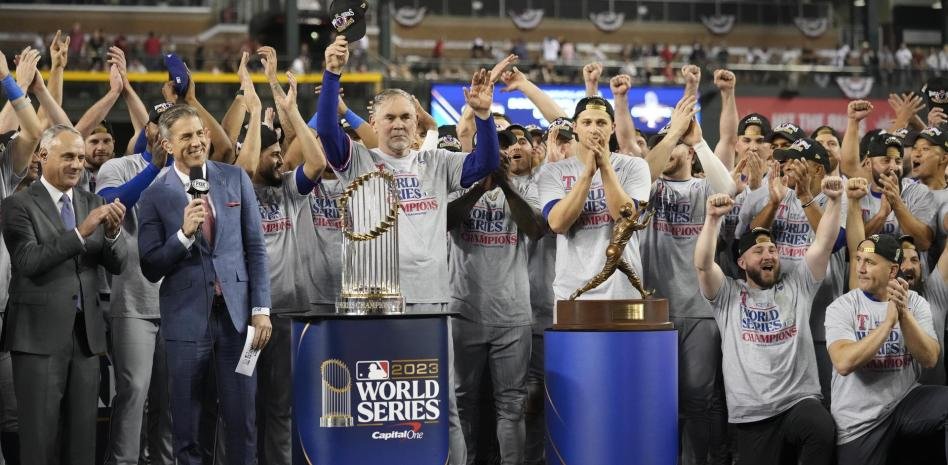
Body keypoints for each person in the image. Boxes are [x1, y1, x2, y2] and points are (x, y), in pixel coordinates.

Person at [315, 35, 501, 465]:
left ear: (418, 125)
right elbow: (325, 130)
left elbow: (486, 163)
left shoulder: (436, 163)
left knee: (439, 404)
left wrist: (484, 116)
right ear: (374, 123)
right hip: (375, 303)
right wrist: (331, 74)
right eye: (389, 118)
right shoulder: (358, 161)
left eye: (405, 117)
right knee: (378, 403)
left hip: (430, 301)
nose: (398, 125)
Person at [137, 104, 272, 465]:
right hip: (186, 322)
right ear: (167, 145)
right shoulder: (153, 195)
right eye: (186, 136)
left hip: (237, 321)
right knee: (188, 426)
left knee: (242, 421)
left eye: (200, 133)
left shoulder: (235, 178)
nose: (197, 142)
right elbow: (150, 266)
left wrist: (261, 309)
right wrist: (183, 235)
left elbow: (256, 249)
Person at [693, 175, 844, 464]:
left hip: (798, 401)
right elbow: (703, 265)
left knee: (821, 427)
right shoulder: (728, 295)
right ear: (741, 262)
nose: (768, 255)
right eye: (759, 251)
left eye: (773, 250)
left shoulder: (798, 285)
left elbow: (824, 244)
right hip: (754, 413)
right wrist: (712, 219)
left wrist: (835, 201)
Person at [2, 124, 128, 465]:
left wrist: (114, 235)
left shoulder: (93, 201)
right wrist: (80, 233)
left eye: (81, 158)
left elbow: (117, 264)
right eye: (68, 156)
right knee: (39, 442)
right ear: (43, 156)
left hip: (86, 338)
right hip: (37, 338)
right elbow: (28, 261)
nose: (77, 164)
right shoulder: (17, 205)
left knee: (82, 441)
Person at [642, 87, 737, 464]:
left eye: (676, 144)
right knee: (656, 399)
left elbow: (728, 188)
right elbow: (642, 176)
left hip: (700, 309)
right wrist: (670, 136)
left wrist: (698, 141)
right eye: (664, 143)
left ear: (689, 153)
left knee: (698, 398)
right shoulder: (648, 189)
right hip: (654, 308)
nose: (669, 149)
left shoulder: (703, 188)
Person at [447, 125, 545, 465]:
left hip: (513, 313)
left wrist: (504, 184)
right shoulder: (456, 182)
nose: (501, 152)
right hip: (463, 311)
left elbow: (536, 228)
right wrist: (479, 187)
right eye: (493, 146)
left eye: (506, 146)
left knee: (511, 404)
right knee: (461, 402)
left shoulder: (527, 187)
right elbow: (444, 221)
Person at [252, 47, 326, 465]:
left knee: (280, 408)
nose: (280, 158)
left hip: (286, 313)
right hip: (246, 316)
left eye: (281, 151)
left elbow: (316, 161)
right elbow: (242, 165)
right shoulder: (236, 190)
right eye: (273, 153)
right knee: (243, 408)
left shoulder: (288, 191)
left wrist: (290, 110)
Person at [95, 103, 175, 465]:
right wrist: (154, 167)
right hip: (133, 300)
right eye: (162, 125)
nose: (168, 133)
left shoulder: (191, 173)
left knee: (170, 399)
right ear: (149, 130)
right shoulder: (118, 166)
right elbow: (109, 203)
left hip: (177, 302)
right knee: (134, 393)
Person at [827, 227, 946, 464]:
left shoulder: (915, 303)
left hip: (905, 402)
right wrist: (888, 323)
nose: (860, 268)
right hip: (859, 422)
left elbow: (930, 358)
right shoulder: (842, 306)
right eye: (859, 259)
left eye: (869, 262)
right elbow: (843, 363)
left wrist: (904, 314)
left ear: (892, 270)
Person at [537, 95, 654, 301]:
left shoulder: (635, 166)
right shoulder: (552, 171)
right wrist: (587, 174)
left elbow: (625, 218)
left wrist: (605, 167)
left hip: (623, 292)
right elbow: (557, 224)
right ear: (575, 127)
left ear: (613, 127)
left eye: (601, 123)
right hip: (571, 293)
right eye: (586, 122)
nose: (594, 129)